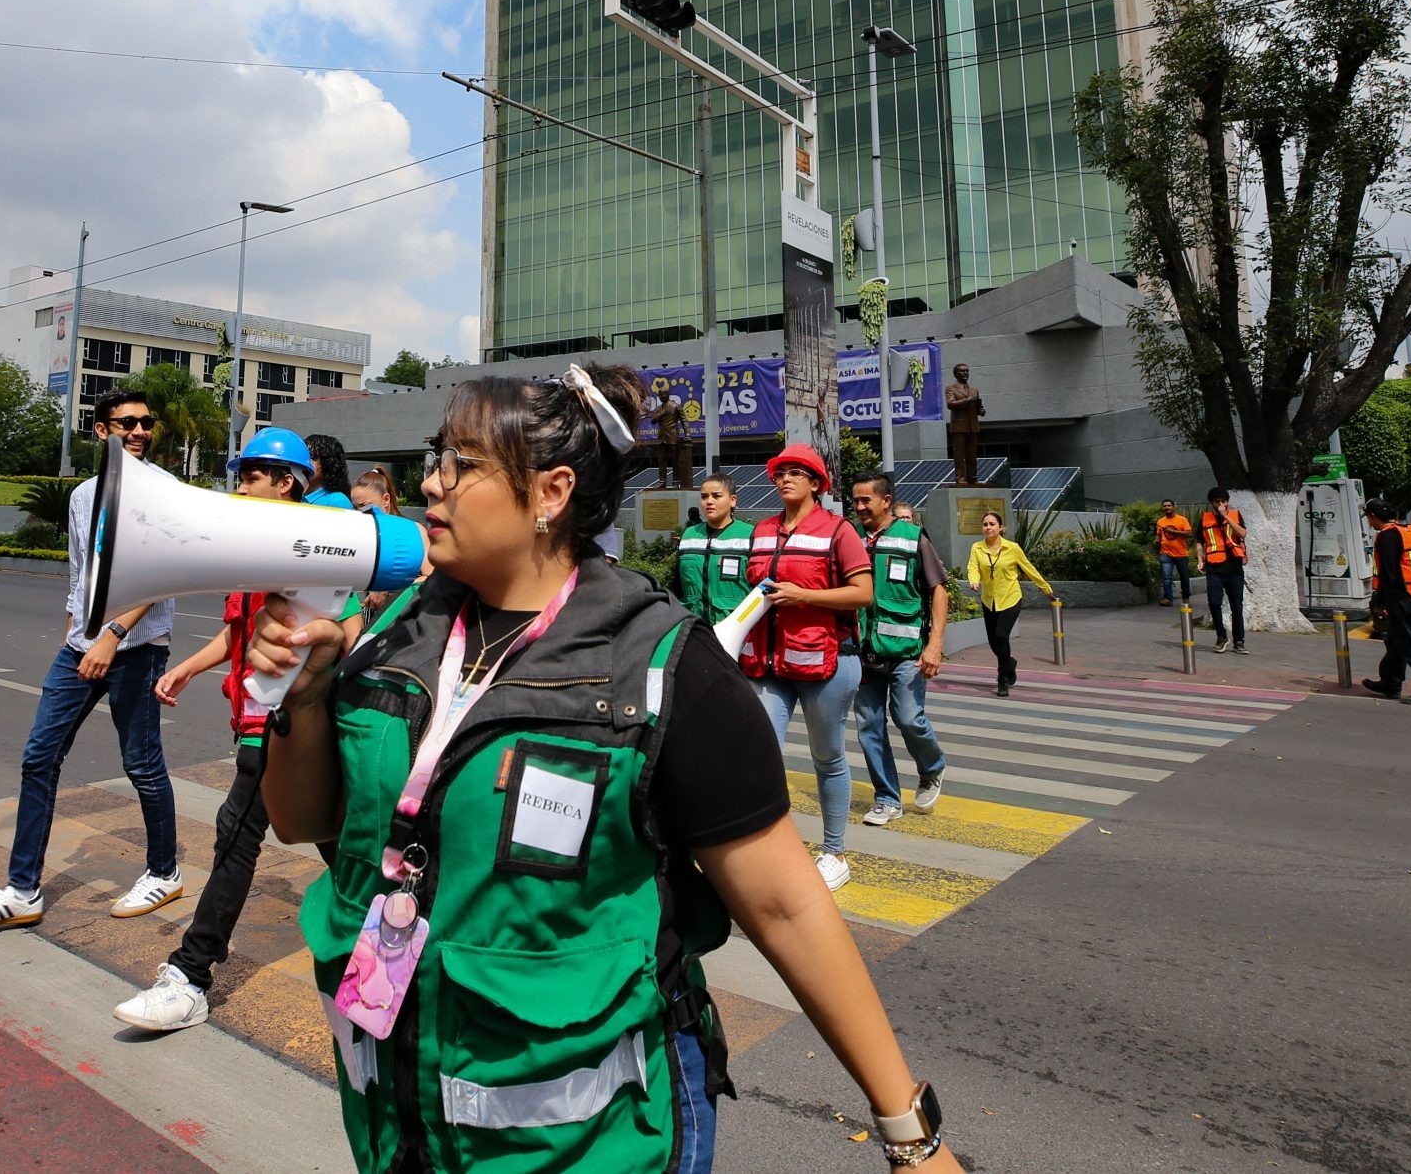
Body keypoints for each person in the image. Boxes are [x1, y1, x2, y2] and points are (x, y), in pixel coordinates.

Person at [247, 365, 962, 1174]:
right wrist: (301, 700)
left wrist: (911, 1133)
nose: (430, 481)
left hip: (601, 1148)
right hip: (399, 1136)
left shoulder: (661, 665)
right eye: (433, 454)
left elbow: (788, 906)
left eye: (460, 461)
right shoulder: (397, 630)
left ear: (549, 492)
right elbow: (301, 819)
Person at [0, 388, 182, 934]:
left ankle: (164, 871)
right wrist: (75, 626)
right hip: (81, 645)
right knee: (39, 757)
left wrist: (114, 633)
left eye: (145, 423)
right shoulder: (83, 496)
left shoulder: (166, 491)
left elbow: (168, 570)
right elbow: (83, 570)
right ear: (101, 431)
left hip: (138, 646)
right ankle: (22, 889)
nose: (139, 431)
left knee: (142, 764)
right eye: (126, 423)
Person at [114, 432, 312, 1032]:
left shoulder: (317, 548)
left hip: (285, 725)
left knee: (234, 840)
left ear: (286, 483)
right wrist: (190, 667)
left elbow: (345, 625)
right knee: (350, 848)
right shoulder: (252, 552)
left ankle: (190, 975)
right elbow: (239, 631)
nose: (240, 484)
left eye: (253, 474)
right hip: (262, 721)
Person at [742, 442, 873, 890]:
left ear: (816, 483)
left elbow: (862, 593)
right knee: (757, 753)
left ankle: (834, 853)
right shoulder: (761, 530)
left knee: (827, 757)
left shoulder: (840, 531)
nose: (785, 478)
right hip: (771, 664)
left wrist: (805, 596)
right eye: (780, 472)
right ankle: (767, 848)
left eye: (796, 472)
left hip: (828, 662)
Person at [847, 472, 950, 825]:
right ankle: (887, 799)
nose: (859, 507)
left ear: (886, 501)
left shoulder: (912, 537)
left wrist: (935, 645)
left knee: (908, 718)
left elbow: (939, 590)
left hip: (907, 653)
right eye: (855, 500)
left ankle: (932, 768)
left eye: (866, 500)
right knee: (869, 726)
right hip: (863, 653)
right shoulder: (849, 538)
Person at [963, 510, 1058, 697]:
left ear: (1001, 527)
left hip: (1010, 598)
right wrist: (973, 580)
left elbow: (1028, 568)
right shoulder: (977, 548)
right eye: (985, 524)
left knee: (1000, 635)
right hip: (989, 600)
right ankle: (1010, 664)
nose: (988, 527)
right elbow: (973, 566)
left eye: (992, 524)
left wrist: (1046, 589)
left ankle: (1002, 678)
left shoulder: (1012, 548)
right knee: (993, 642)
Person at [1359, 500, 1411, 705]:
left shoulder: (1387, 536)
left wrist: (1381, 603)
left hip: (1402, 599)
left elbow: (1390, 574)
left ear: (1373, 516)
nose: (1369, 522)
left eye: (1368, 518)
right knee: (1397, 643)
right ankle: (1390, 682)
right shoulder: (1408, 531)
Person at [674, 473, 755, 626]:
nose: (709, 502)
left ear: (733, 500)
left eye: (716, 496)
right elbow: (677, 585)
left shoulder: (750, 535)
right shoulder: (689, 535)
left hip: (735, 630)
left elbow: (759, 591)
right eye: (704, 497)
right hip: (693, 628)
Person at [1199, 487, 1250, 652]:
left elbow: (1242, 533)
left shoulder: (1235, 515)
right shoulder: (1205, 518)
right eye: (1217, 501)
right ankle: (1221, 636)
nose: (1220, 504)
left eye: (1223, 501)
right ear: (1212, 503)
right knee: (1214, 603)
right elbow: (1200, 542)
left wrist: (1226, 516)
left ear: (1227, 501)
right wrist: (1200, 559)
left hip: (1234, 568)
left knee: (1237, 606)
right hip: (1214, 568)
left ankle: (1239, 641)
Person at [943, 362, 983, 484]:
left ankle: (972, 477)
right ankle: (960, 477)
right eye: (962, 371)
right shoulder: (951, 388)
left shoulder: (974, 389)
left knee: (972, 453)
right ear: (956, 374)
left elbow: (977, 407)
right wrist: (967, 400)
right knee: (959, 454)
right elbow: (950, 404)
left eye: (967, 371)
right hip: (959, 426)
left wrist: (981, 410)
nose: (965, 373)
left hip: (973, 425)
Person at [1153, 498, 1195, 606]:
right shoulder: (1161, 521)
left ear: (1174, 507)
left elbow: (1190, 534)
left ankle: (1186, 598)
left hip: (1181, 554)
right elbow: (1159, 534)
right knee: (1166, 577)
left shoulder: (1182, 520)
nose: (1167, 508)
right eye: (1165, 506)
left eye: (1169, 505)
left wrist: (1174, 531)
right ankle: (1168, 598)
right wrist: (1157, 540)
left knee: (1184, 577)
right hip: (1166, 553)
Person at [652, 388, 690, 489]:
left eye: (662, 395)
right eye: (659, 396)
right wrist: (662, 413)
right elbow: (653, 420)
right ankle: (662, 481)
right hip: (661, 438)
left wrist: (687, 434)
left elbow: (684, 421)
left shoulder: (676, 406)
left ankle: (676, 481)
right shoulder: (659, 408)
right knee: (661, 461)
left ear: (668, 395)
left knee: (675, 461)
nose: (661, 397)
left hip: (672, 437)